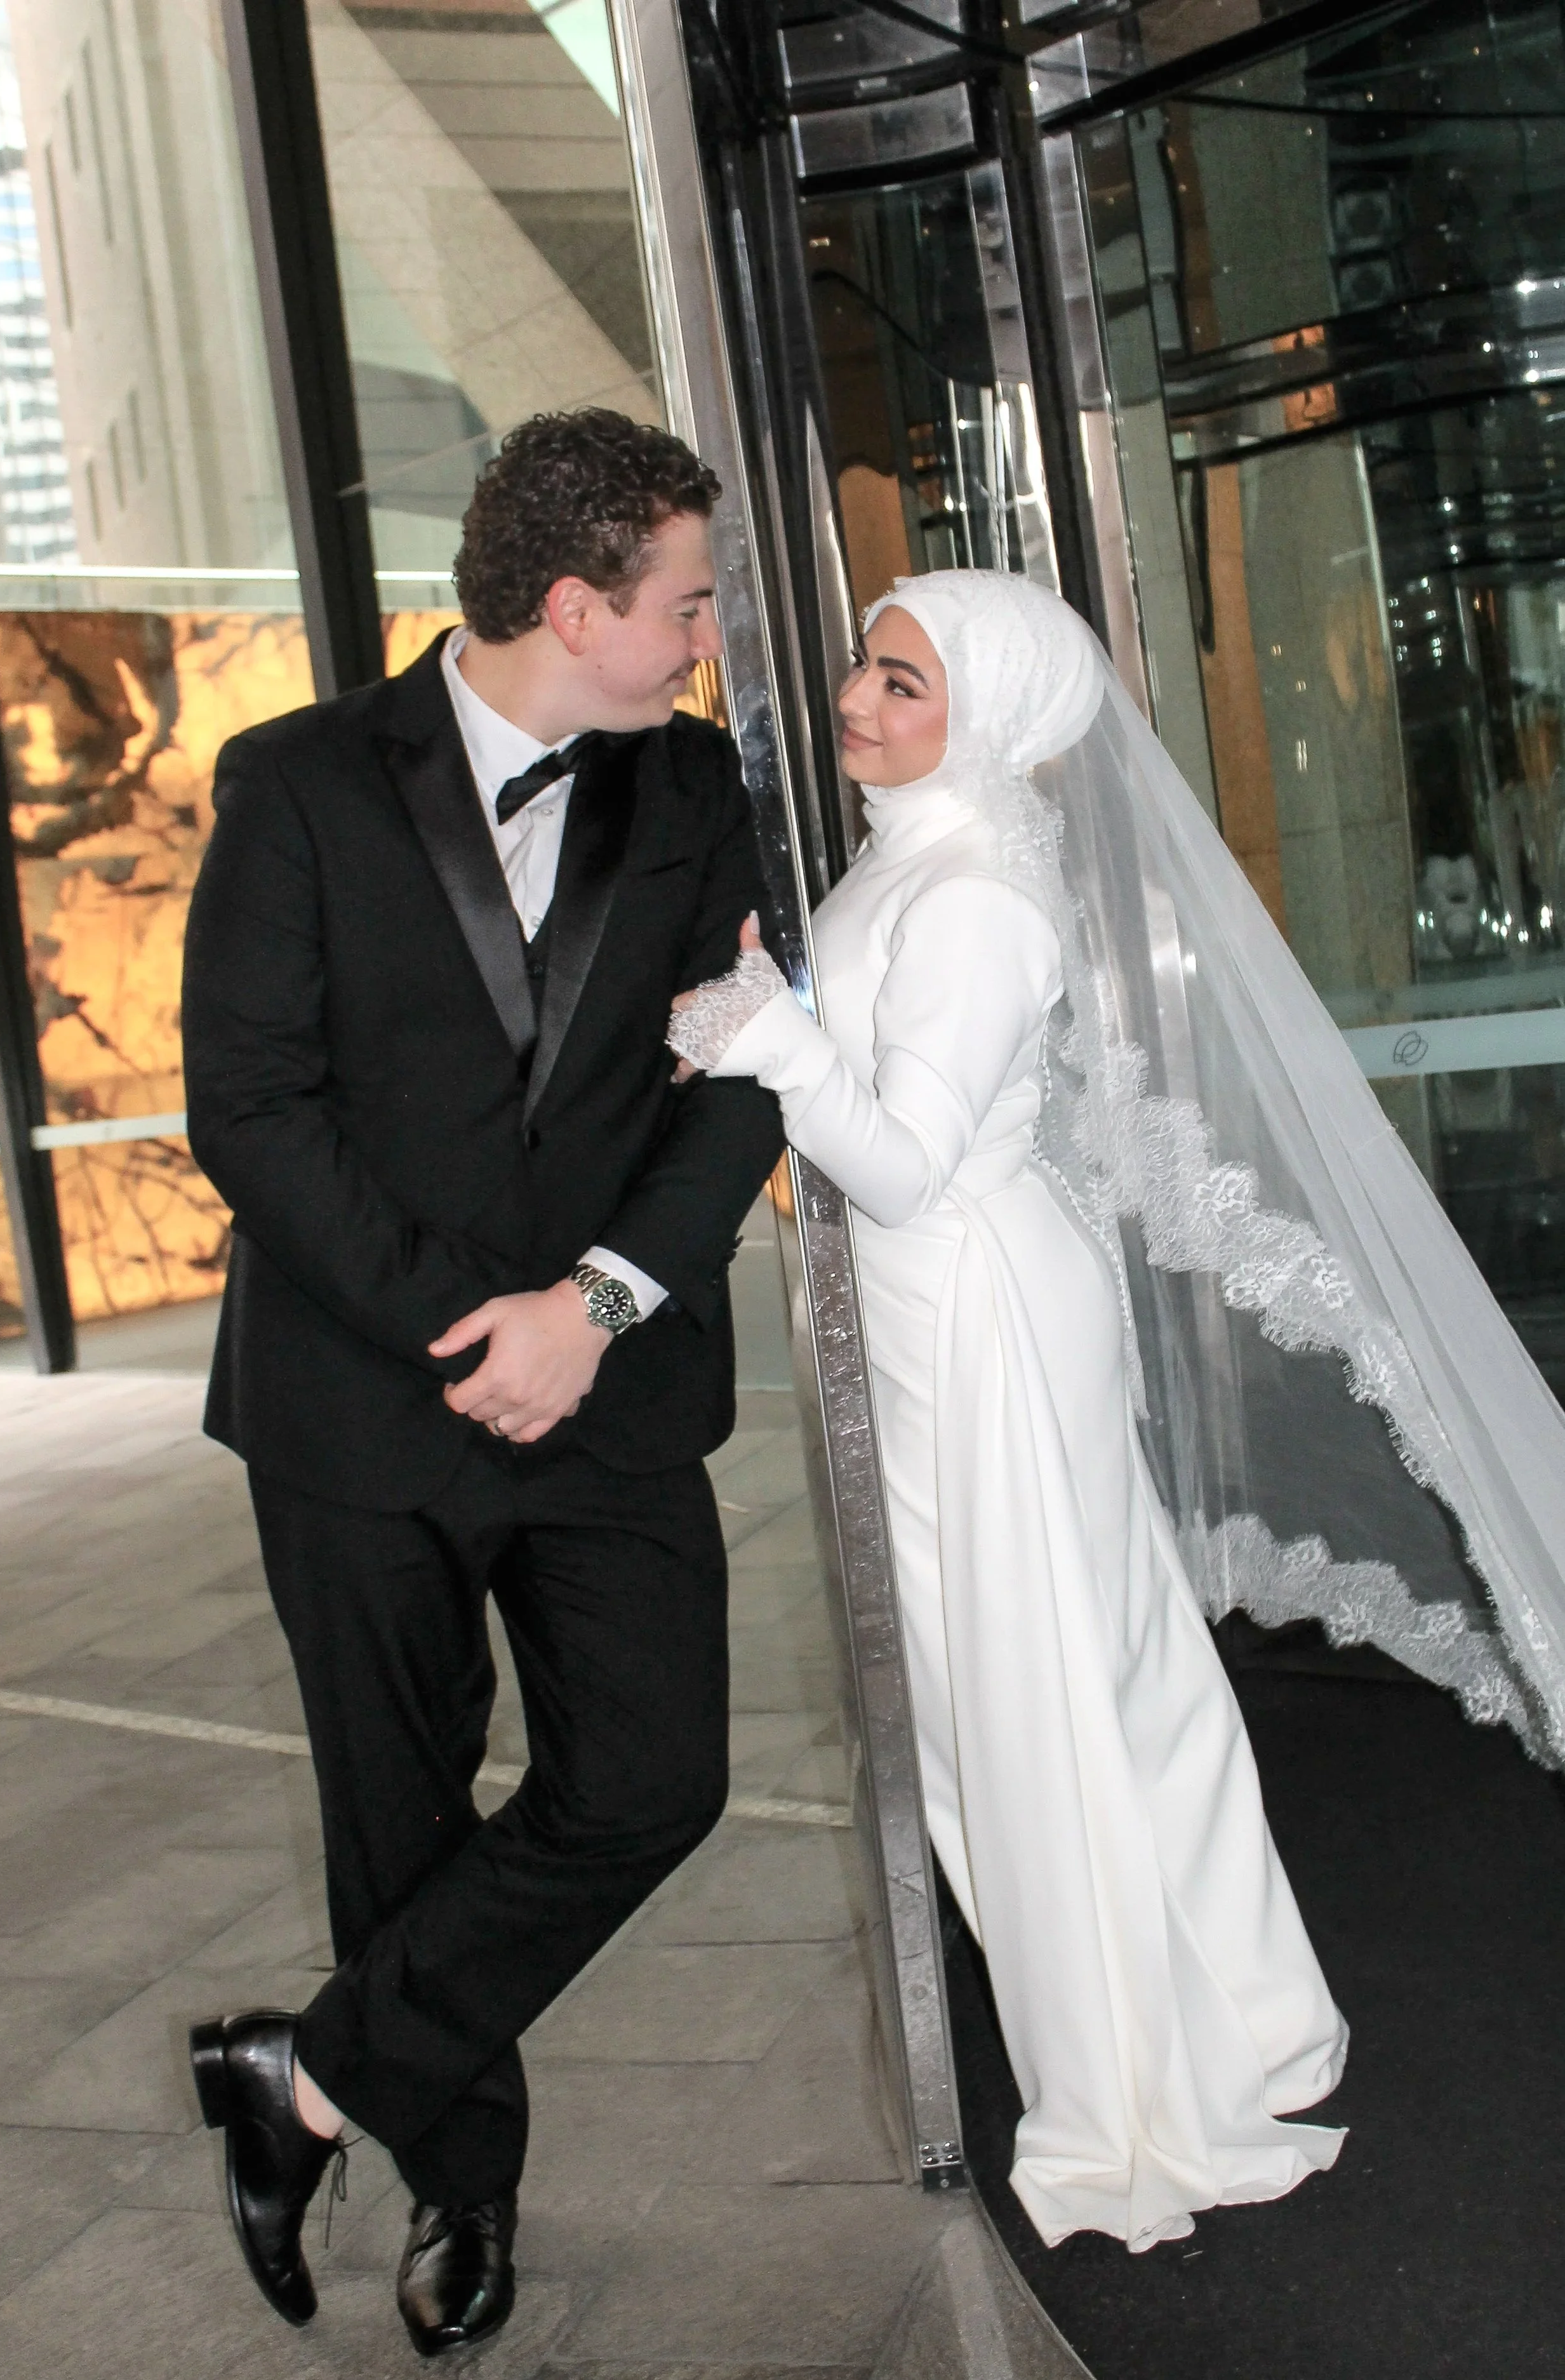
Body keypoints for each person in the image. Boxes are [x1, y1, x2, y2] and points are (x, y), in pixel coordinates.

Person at [669, 569, 1565, 2253]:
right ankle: (1228, 2010)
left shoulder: (979, 901)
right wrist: (774, 1032)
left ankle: (1144, 2075)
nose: (859, 698)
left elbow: (907, 1160)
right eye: (869, 665)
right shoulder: (920, 857)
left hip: (978, 1314)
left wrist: (771, 1042)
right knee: (1088, 1675)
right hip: (957, 1305)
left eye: (901, 680)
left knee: (1036, 1696)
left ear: (988, 718)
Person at [181, 408, 782, 2356]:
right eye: (681, 602)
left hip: (611, 1383)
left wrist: (591, 1305)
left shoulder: (698, 788)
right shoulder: (291, 781)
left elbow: (741, 1073)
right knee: (399, 1814)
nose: (704, 636)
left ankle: (314, 2076)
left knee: (651, 1775)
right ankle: (466, 2188)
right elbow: (250, 1108)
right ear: (570, 601)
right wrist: (474, 1324)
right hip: (357, 1403)